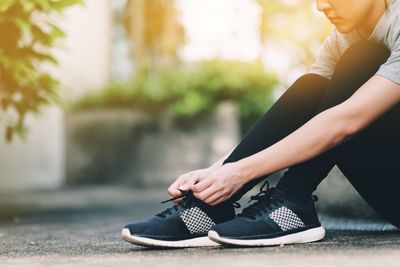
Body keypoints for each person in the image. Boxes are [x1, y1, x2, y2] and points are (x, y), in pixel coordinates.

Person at [122, 0, 400, 248]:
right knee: (313, 84)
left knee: (362, 56)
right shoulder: (345, 35)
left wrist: (239, 173)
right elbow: (307, 107)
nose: (321, 6)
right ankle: (212, 207)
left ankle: (293, 201)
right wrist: (213, 176)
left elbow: (346, 121)